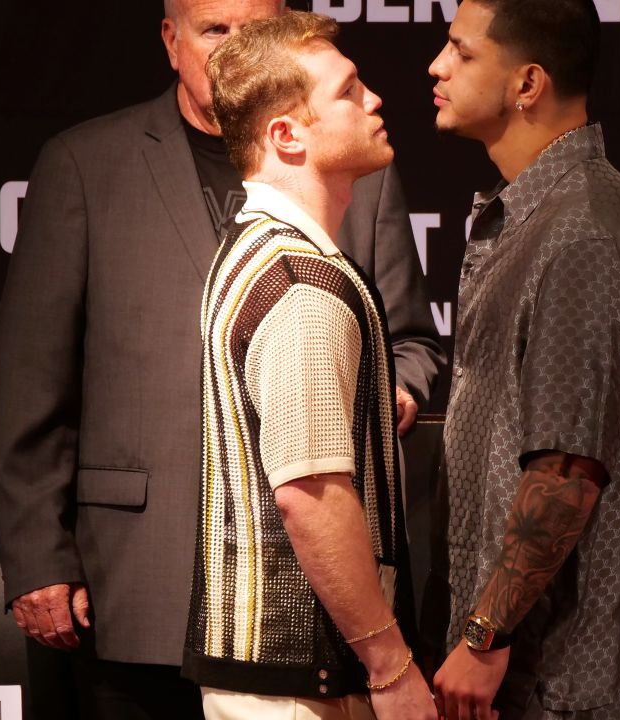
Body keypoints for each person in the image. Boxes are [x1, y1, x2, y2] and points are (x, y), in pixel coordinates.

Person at [0, 0, 443, 716]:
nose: (237, 51)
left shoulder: (351, 177)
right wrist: (38, 554)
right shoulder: (87, 165)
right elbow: (30, 378)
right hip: (141, 573)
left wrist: (379, 395)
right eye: (216, 31)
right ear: (171, 41)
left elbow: (408, 342)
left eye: (257, 32)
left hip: (298, 603)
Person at [182, 11, 437, 720]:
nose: (375, 100)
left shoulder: (257, 249)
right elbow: (309, 495)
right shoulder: (298, 283)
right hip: (306, 691)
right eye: (349, 92)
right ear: (286, 135)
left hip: (285, 683)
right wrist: (390, 669)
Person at [426, 1, 620, 719]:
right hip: (527, 671)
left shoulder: (583, 232)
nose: (437, 67)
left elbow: (568, 471)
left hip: (560, 684)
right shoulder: (540, 213)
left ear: (526, 83)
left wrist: (483, 635)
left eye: (461, 51)